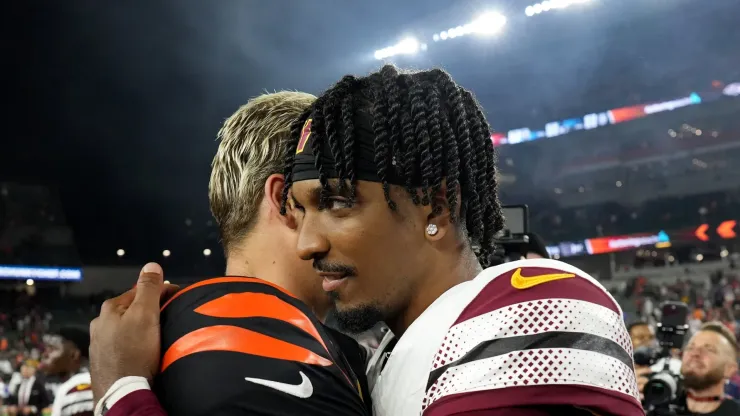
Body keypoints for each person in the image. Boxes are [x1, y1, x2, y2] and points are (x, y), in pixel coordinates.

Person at [281, 65, 642, 415]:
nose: (307, 244)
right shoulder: (391, 352)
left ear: (436, 208)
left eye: (338, 202)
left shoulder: (531, 312)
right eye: (300, 211)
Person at [90, 92, 369, 416]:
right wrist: (123, 396)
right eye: (338, 200)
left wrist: (121, 393)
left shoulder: (170, 325)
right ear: (287, 203)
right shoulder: (266, 337)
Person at [677, 322, 740, 415]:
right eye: (690, 347)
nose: (695, 353)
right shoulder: (658, 406)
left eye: (709, 349)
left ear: (729, 369)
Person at [44, 327, 93, 416]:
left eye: (53, 349)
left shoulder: (79, 388)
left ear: (74, 355)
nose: (46, 354)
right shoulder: (72, 384)